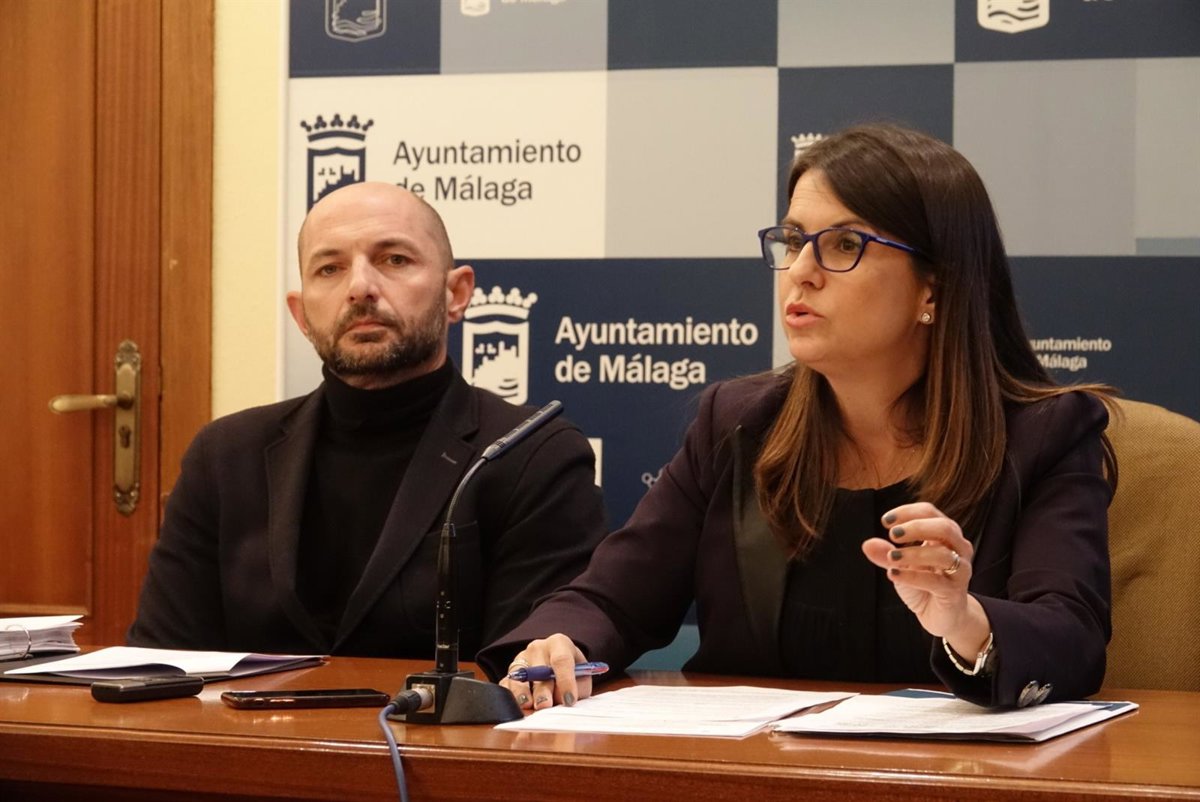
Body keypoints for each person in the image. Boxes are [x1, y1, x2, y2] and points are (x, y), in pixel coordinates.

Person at [479, 123, 1116, 710]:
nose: (801, 274)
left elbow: (1072, 640)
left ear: (934, 286)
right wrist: (559, 643)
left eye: (844, 244)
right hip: (752, 769)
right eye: (793, 242)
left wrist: (964, 620)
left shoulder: (1045, 436)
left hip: (950, 772)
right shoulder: (736, 424)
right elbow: (611, 598)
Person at [128, 181, 607, 659]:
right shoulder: (225, 456)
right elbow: (160, 663)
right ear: (301, 315)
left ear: (456, 293)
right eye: (330, 268)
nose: (359, 288)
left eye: (394, 259)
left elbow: (522, 673)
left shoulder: (530, 453)